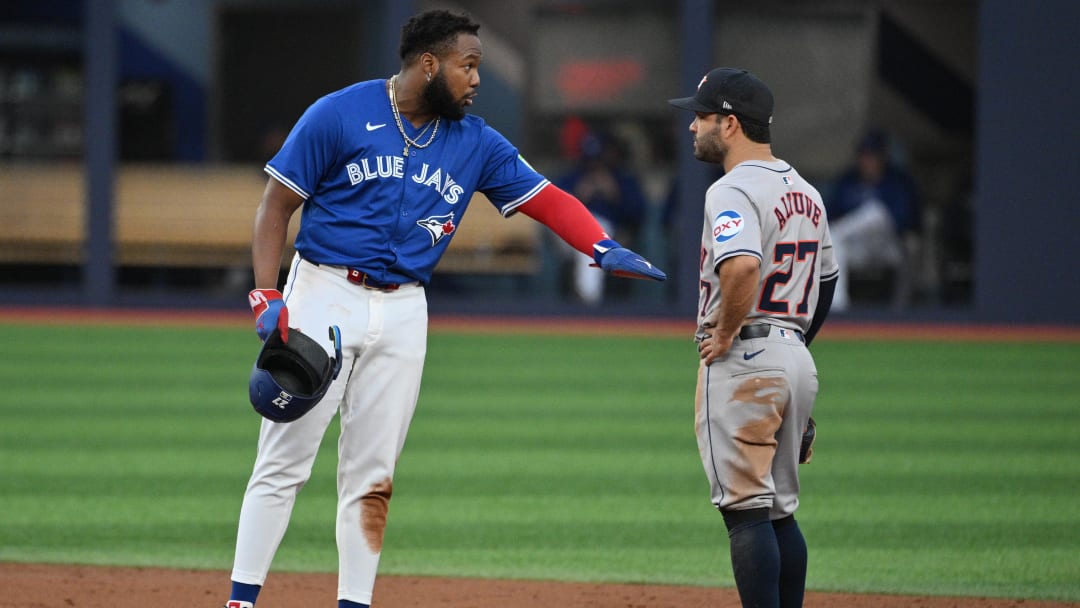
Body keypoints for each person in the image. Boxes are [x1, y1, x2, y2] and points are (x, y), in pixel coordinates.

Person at [226, 10, 664, 608]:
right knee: (283, 460)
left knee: (373, 478)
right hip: (323, 293)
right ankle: (241, 601)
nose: (476, 79)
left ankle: (354, 602)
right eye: (468, 65)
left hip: (405, 309)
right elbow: (275, 206)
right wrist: (266, 292)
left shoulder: (475, 141)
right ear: (428, 64)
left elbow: (547, 198)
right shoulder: (338, 113)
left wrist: (600, 244)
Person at [668, 67, 838, 607]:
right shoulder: (808, 193)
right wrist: (793, 350)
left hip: (746, 358)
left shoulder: (732, 188)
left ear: (731, 123)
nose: (693, 127)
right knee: (780, 512)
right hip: (793, 354)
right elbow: (827, 283)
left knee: (745, 514)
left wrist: (725, 332)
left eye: (701, 117)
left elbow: (740, 266)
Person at [826, 129, 921, 311]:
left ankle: (902, 311)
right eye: (864, 155)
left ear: (883, 156)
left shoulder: (898, 181)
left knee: (875, 213)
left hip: (889, 244)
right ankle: (838, 307)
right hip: (859, 246)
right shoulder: (848, 181)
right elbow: (829, 215)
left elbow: (905, 221)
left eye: (872, 156)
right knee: (834, 239)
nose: (867, 161)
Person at [554, 128, 649, 305]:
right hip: (568, 237)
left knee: (595, 237)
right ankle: (589, 305)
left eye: (599, 158)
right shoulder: (572, 177)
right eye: (590, 160)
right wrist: (578, 195)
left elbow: (638, 213)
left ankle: (588, 302)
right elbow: (552, 210)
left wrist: (615, 195)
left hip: (611, 238)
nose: (595, 164)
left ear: (611, 153)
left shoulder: (623, 178)